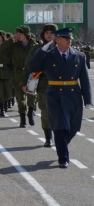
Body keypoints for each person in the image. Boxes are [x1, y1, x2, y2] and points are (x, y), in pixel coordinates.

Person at [28, 27, 92, 168]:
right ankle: (63, 157)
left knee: (74, 128)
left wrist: (88, 100)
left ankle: (61, 144)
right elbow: (32, 67)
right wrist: (42, 50)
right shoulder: (48, 55)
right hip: (55, 94)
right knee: (59, 126)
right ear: (57, 40)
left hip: (73, 94)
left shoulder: (79, 56)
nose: (69, 41)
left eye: (70, 38)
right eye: (66, 38)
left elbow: (85, 79)